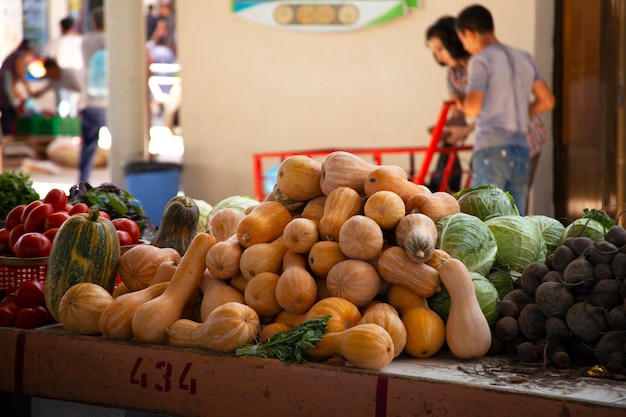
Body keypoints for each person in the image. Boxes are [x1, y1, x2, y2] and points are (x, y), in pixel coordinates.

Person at [426, 16, 552, 212]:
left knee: (509, 204)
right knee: (499, 204)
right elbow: (460, 114)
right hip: (496, 140)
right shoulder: (454, 75)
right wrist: (447, 130)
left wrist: (467, 128)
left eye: (440, 49)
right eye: (434, 52)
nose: (438, 56)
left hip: (525, 135)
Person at [79, 6, 107, 183]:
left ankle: (82, 182)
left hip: (90, 100)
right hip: (109, 101)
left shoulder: (85, 41)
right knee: (123, 148)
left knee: (88, 146)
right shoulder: (109, 40)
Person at [0, 39, 35, 171]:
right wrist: (29, 90)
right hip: (4, 91)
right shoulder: (20, 56)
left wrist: (19, 95)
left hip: (4, 88)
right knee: (9, 116)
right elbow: (20, 75)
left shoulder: (13, 56)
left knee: (8, 116)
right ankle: (5, 151)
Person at [47, 16, 83, 116]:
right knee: (73, 101)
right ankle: (71, 120)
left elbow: (50, 57)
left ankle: (64, 123)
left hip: (61, 74)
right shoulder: (79, 40)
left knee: (63, 101)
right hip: (77, 73)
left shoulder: (56, 41)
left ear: (61, 27)